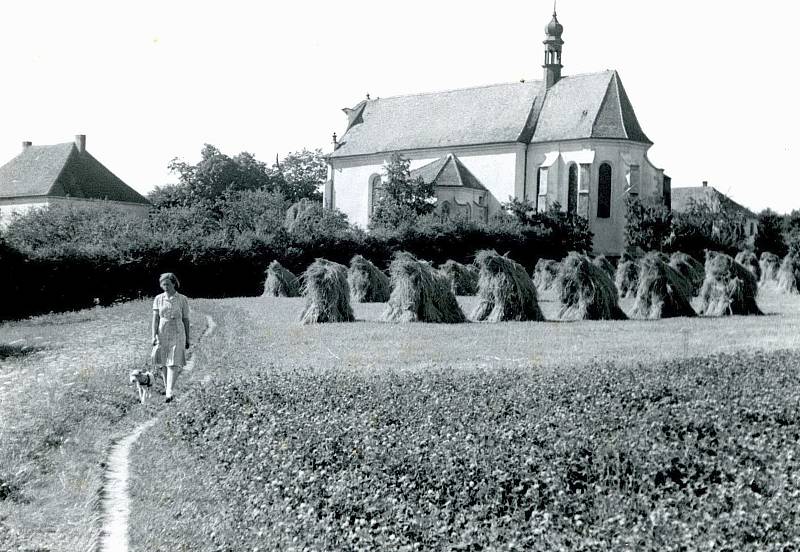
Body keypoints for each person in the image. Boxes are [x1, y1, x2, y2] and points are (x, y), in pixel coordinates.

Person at [151, 272, 190, 403]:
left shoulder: (182, 299)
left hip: (178, 331)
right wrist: (153, 336)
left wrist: (188, 338)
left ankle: (169, 391)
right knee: (163, 361)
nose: (165, 286)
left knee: (173, 361)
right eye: (163, 284)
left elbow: (186, 319)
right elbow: (155, 319)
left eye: (167, 284)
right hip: (163, 331)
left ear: (174, 283)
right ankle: (168, 388)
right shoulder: (158, 299)